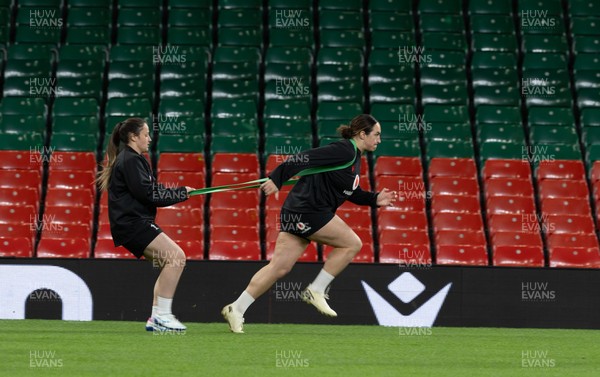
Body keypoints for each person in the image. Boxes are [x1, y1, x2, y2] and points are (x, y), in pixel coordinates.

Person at [222, 114, 396, 333]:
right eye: (377, 134)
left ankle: (236, 308)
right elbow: (302, 158)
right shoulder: (344, 150)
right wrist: (277, 178)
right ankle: (316, 290)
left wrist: (374, 199)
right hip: (307, 211)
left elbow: (349, 191)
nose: (379, 140)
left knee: (279, 267)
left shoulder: (353, 156)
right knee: (352, 244)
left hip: (299, 211)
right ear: (362, 134)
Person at [96, 117, 194, 332]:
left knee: (170, 262)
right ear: (133, 137)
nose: (149, 138)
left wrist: (179, 193)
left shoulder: (131, 159)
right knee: (176, 258)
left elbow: (148, 191)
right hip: (133, 224)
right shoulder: (130, 160)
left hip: (131, 224)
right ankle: (162, 316)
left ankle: (156, 319)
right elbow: (150, 194)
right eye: (146, 134)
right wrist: (180, 193)